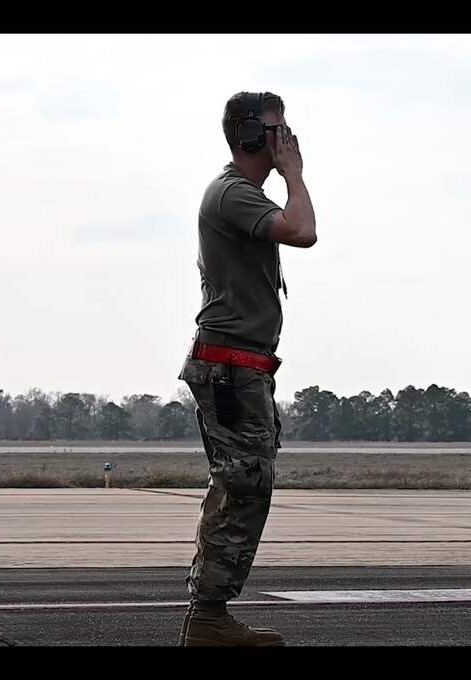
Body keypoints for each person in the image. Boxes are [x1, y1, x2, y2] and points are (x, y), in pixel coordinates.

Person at [175, 90, 318, 646]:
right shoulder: (234, 194)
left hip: (241, 366)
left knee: (241, 486)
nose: (287, 139)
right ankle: (208, 618)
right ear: (253, 137)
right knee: (242, 487)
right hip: (232, 367)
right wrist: (295, 174)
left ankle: (209, 616)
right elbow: (303, 231)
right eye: (278, 130)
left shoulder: (242, 195)